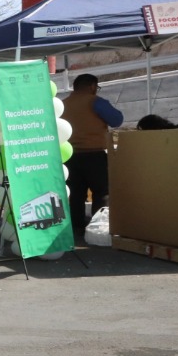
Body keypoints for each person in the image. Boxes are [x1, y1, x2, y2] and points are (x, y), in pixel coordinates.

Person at [60, 73, 123, 243]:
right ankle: (98, 227)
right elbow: (117, 120)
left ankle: (77, 227)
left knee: (76, 194)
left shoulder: (63, 104)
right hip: (94, 154)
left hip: (69, 156)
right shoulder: (95, 102)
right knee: (102, 192)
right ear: (92, 86)